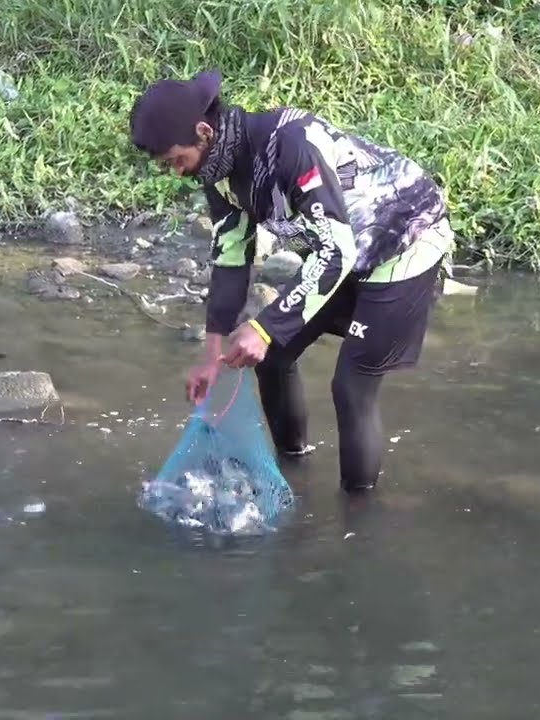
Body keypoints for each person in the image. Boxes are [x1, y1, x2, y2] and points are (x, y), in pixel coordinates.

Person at [128, 70, 455, 493]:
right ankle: (293, 473)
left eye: (176, 159)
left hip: (404, 242)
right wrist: (212, 355)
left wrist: (265, 327)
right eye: (166, 166)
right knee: (274, 357)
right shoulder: (216, 172)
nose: (176, 172)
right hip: (343, 249)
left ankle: (357, 513)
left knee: (352, 384)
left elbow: (334, 252)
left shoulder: (290, 144)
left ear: (204, 132)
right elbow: (230, 258)